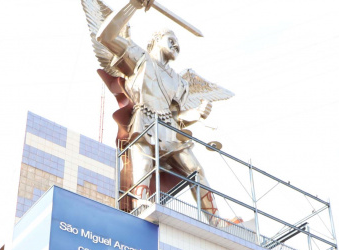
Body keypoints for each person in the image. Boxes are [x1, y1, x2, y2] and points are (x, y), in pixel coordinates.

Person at [86, 0, 232, 219]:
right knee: (143, 166)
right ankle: (141, 208)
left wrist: (198, 114)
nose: (176, 47)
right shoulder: (139, 57)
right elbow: (105, 36)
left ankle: (216, 220)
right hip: (144, 121)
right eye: (172, 40)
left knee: (197, 169)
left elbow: (177, 116)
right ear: (156, 40)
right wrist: (132, 6)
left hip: (169, 128)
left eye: (178, 45)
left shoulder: (179, 81)